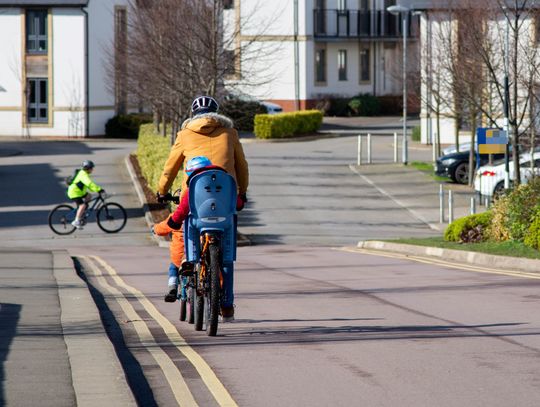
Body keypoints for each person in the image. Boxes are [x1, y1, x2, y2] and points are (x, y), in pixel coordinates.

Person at [156, 96, 249, 320]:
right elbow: (242, 166)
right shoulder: (230, 133)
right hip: (225, 201)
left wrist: (162, 190)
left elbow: (170, 167)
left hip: (194, 199)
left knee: (188, 234)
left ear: (193, 114)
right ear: (216, 112)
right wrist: (242, 192)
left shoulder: (185, 134)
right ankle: (226, 305)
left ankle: (188, 266)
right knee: (226, 257)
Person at [154, 156, 246, 321]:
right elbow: (238, 204)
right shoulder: (226, 183)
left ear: (190, 173)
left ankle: (192, 261)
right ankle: (226, 306)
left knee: (192, 234)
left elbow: (183, 209)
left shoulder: (194, 187)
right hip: (224, 225)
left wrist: (174, 222)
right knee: (226, 263)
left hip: (199, 225)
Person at [67, 160, 104, 229]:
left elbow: (89, 186)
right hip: (74, 192)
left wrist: (96, 190)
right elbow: (89, 184)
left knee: (89, 196)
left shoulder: (84, 173)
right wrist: (99, 190)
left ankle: (81, 212)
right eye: (92, 168)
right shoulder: (83, 175)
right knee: (82, 205)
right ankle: (76, 221)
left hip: (79, 192)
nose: (92, 169)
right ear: (88, 168)